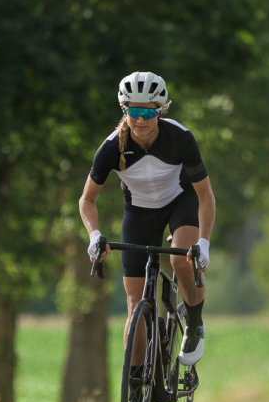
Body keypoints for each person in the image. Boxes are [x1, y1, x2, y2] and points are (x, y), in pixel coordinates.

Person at [80, 71, 215, 367]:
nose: (140, 120)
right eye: (132, 111)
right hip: (139, 211)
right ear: (124, 110)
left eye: (147, 112)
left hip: (182, 201)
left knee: (181, 259)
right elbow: (87, 199)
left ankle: (194, 323)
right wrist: (94, 235)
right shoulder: (111, 148)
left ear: (161, 110)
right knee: (134, 303)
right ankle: (136, 387)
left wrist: (203, 242)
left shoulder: (179, 138)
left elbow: (205, 196)